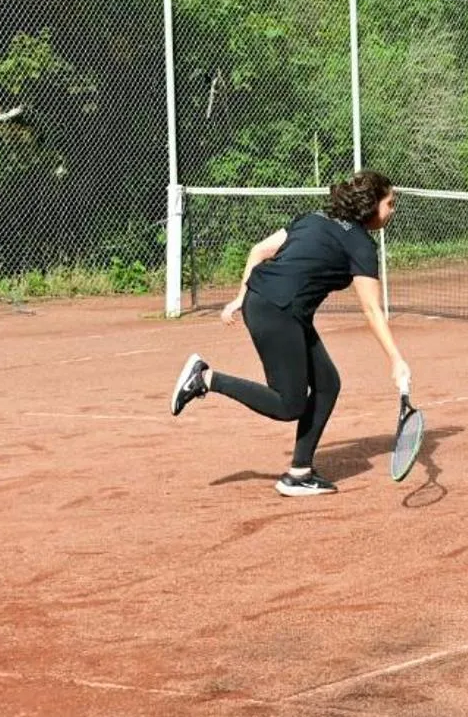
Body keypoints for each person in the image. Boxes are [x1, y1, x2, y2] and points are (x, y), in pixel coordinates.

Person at [168, 170, 411, 496]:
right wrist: (395, 359)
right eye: (390, 203)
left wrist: (243, 298)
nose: (393, 210)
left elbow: (258, 251)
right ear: (371, 206)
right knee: (289, 404)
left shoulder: (314, 218)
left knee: (327, 383)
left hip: (272, 304)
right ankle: (206, 378)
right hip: (278, 311)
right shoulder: (361, 246)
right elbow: (371, 309)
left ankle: (299, 472)